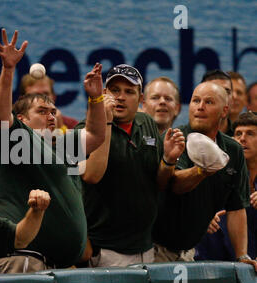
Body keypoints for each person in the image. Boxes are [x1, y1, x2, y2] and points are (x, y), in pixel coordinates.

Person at [0, 28, 106, 271]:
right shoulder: (16, 139)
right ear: (22, 119)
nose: (51, 117)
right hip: (23, 260)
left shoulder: (61, 143)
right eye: (41, 112)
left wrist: (96, 99)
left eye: (52, 112)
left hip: (56, 266)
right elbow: (0, 116)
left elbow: (96, 135)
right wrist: (8, 69)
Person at [76, 64, 185, 267]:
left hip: (146, 248)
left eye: (129, 92)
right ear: (104, 93)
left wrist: (168, 160)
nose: (120, 97)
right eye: (115, 91)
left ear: (141, 100)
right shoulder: (86, 129)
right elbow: (92, 175)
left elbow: (159, 182)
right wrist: (105, 122)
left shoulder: (147, 122)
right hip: (105, 250)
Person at [152, 82, 257, 271]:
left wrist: (242, 255)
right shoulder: (174, 139)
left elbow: (236, 208)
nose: (200, 107)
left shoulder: (233, 149)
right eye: (195, 101)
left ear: (224, 111)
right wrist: (202, 170)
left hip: (189, 251)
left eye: (209, 102)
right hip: (155, 248)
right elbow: (175, 184)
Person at [195, 112, 257, 261]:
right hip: (215, 260)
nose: (242, 139)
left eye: (250, 134)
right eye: (238, 134)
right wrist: (202, 217)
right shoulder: (215, 172)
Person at [201, 69, 234, 136]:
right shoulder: (181, 138)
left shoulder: (241, 137)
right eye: (215, 91)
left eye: (227, 92)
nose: (223, 97)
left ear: (232, 99)